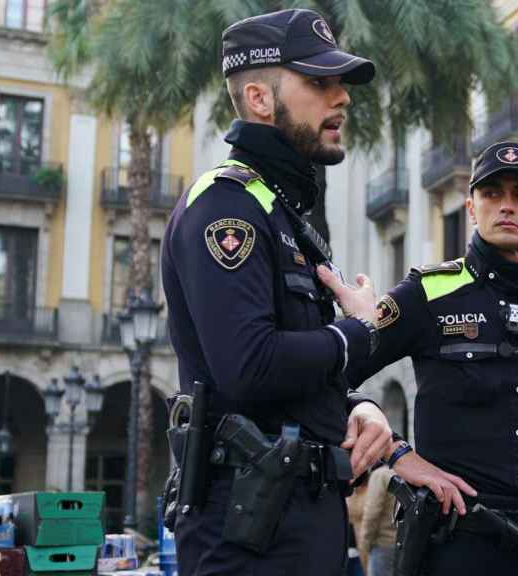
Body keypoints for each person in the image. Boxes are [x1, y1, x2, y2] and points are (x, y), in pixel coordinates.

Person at [162, 9, 394, 575]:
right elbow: (249, 365)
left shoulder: (282, 210)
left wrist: (356, 406)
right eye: (319, 82)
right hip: (245, 534)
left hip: (301, 522)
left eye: (340, 82)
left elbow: (288, 380)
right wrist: (356, 335)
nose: (342, 97)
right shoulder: (226, 207)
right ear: (261, 99)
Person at [321, 141, 518, 575]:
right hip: (454, 545)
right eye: (492, 194)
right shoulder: (427, 294)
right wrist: (399, 455)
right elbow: (331, 376)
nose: (507, 206)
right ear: (472, 208)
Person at [359, 465, 398, 576]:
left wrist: (365, 543)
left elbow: (372, 512)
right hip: (403, 542)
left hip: (382, 544)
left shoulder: (380, 475)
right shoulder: (406, 473)